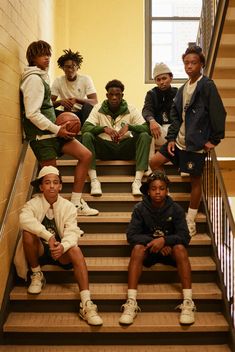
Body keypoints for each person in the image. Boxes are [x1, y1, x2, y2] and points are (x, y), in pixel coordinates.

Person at [150, 46, 226, 236]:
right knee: (154, 162)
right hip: (179, 141)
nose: (189, 66)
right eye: (186, 63)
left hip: (196, 143)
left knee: (195, 180)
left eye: (193, 63)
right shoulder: (184, 87)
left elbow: (218, 113)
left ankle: (190, 220)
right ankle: (168, 199)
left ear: (201, 64)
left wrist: (214, 140)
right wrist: (171, 138)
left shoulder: (207, 85)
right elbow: (176, 116)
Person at [16, 166, 103, 326]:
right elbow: (23, 220)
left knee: (75, 248)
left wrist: (63, 246)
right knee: (27, 233)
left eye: (55, 182)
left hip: (61, 252)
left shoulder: (68, 206)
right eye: (47, 183)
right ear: (41, 187)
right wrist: (48, 237)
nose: (51, 186)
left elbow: (73, 232)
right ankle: (36, 274)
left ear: (60, 186)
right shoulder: (33, 204)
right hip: (40, 251)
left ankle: (86, 304)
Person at [20, 40, 98, 216]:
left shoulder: (41, 77)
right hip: (43, 138)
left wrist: (57, 129)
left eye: (48, 54)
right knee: (52, 182)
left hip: (53, 134)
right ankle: (54, 216)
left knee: (85, 155)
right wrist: (57, 129)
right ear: (33, 57)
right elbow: (32, 113)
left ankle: (76, 203)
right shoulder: (33, 79)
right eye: (42, 55)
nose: (47, 58)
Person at [119, 171, 195, 326]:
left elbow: (185, 236)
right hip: (149, 251)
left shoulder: (176, 209)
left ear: (167, 190)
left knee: (180, 249)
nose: (158, 191)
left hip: (170, 251)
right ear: (148, 190)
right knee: (137, 249)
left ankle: (188, 302)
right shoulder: (140, 208)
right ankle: (131, 302)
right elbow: (131, 236)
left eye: (161, 188)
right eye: (154, 188)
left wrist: (165, 241)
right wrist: (155, 243)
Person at [81, 79, 152, 196]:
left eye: (117, 94)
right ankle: (94, 181)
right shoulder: (98, 108)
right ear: (107, 95)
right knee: (87, 135)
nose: (114, 97)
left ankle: (137, 182)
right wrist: (103, 129)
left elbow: (146, 128)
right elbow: (85, 128)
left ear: (122, 95)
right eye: (111, 94)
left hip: (125, 148)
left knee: (144, 135)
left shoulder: (131, 108)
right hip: (105, 148)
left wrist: (130, 127)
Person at [51, 49, 98, 126]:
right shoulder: (58, 80)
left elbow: (95, 101)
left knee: (88, 106)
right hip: (64, 114)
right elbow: (49, 104)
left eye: (73, 66)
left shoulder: (86, 79)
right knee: (48, 109)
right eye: (67, 67)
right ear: (62, 68)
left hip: (80, 114)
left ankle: (85, 130)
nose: (70, 70)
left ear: (77, 67)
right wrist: (61, 102)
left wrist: (77, 100)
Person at [142, 62, 178, 163]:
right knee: (146, 127)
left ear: (171, 77)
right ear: (155, 81)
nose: (162, 82)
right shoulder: (151, 94)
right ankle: (149, 164)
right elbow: (146, 109)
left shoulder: (178, 93)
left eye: (164, 78)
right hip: (159, 131)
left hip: (175, 132)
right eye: (158, 80)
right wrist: (152, 121)